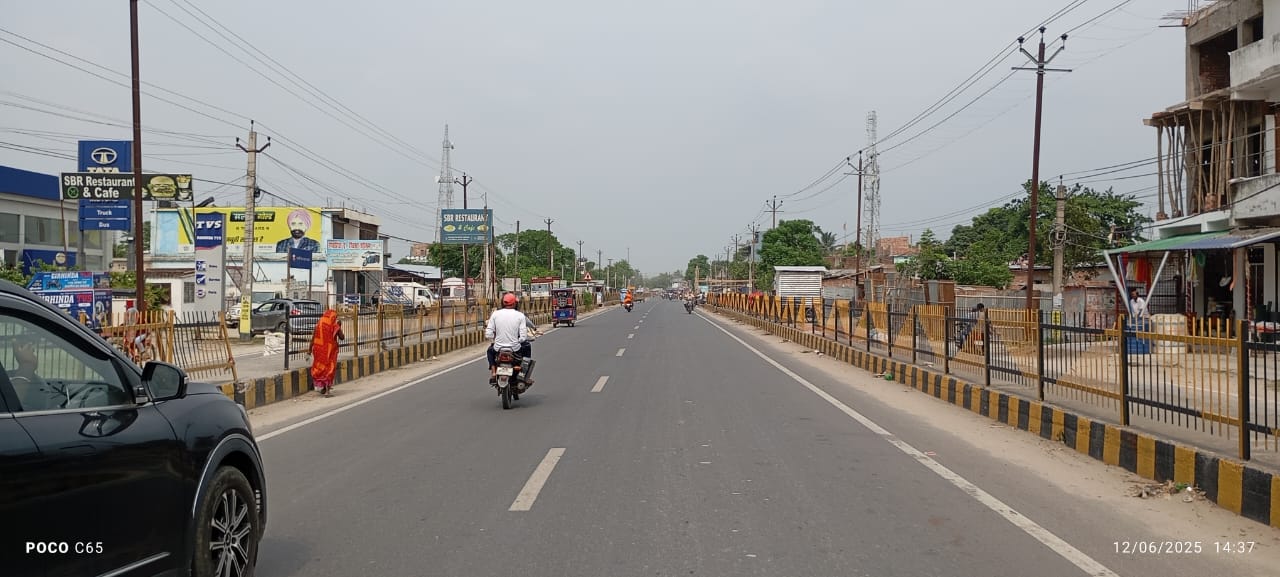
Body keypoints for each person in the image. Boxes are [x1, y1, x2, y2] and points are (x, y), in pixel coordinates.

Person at [485, 293, 533, 386]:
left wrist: (494, 339)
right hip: (514, 348)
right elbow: (523, 337)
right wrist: (518, 341)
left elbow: (488, 334)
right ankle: (523, 374)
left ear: (503, 303)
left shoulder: (495, 314)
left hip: (498, 348)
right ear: (515, 304)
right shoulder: (520, 315)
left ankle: (493, 372)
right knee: (527, 347)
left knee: (489, 351)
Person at [310, 309, 345, 396]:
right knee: (329, 369)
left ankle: (323, 387)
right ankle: (327, 391)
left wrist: (309, 350)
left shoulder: (319, 324)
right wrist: (339, 326)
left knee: (321, 369)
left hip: (319, 352)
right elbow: (342, 337)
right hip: (330, 352)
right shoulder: (334, 325)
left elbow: (313, 338)